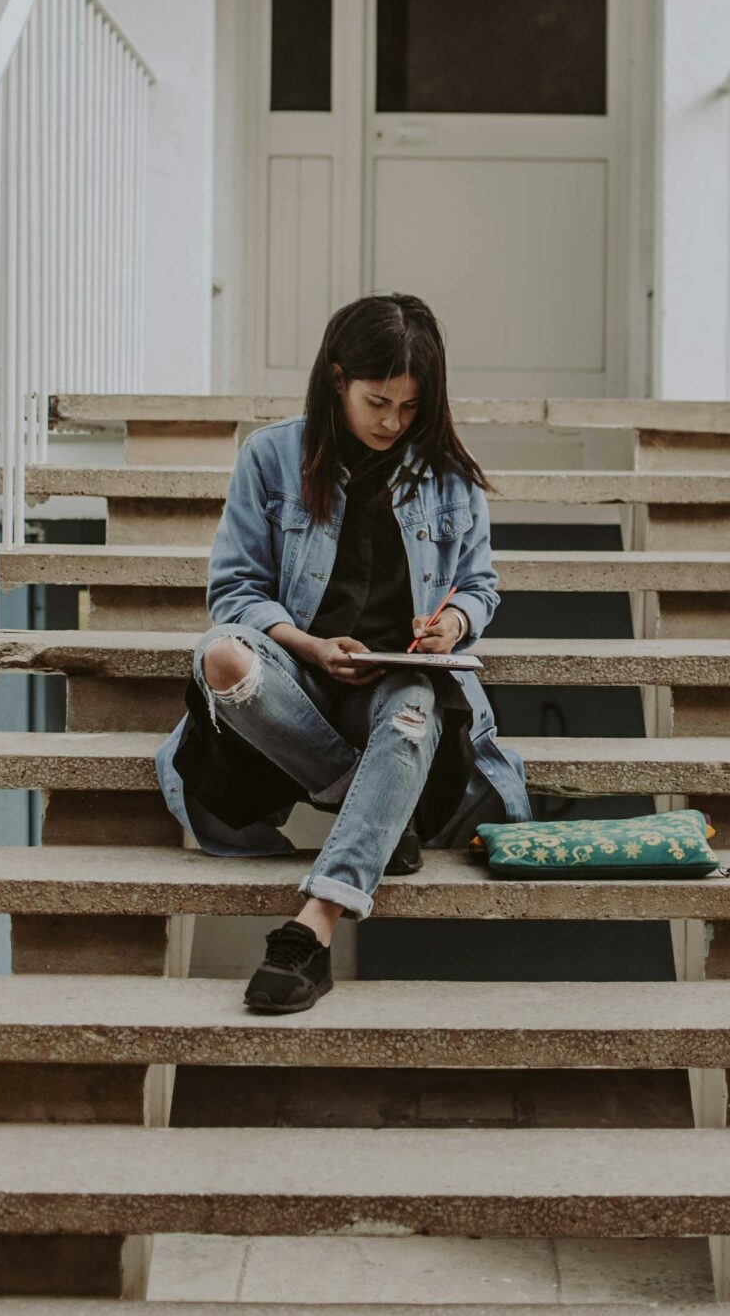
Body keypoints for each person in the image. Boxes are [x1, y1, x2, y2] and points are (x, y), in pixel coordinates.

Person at [151, 294, 529, 1014]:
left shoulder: (449, 477)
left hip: (400, 689)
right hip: (301, 684)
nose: (392, 422)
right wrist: (311, 646)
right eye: (377, 400)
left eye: (411, 407)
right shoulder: (270, 456)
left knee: (416, 708)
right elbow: (233, 590)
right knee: (221, 658)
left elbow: (480, 585)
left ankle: (311, 929)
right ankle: (384, 805)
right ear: (336, 378)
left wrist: (452, 620)